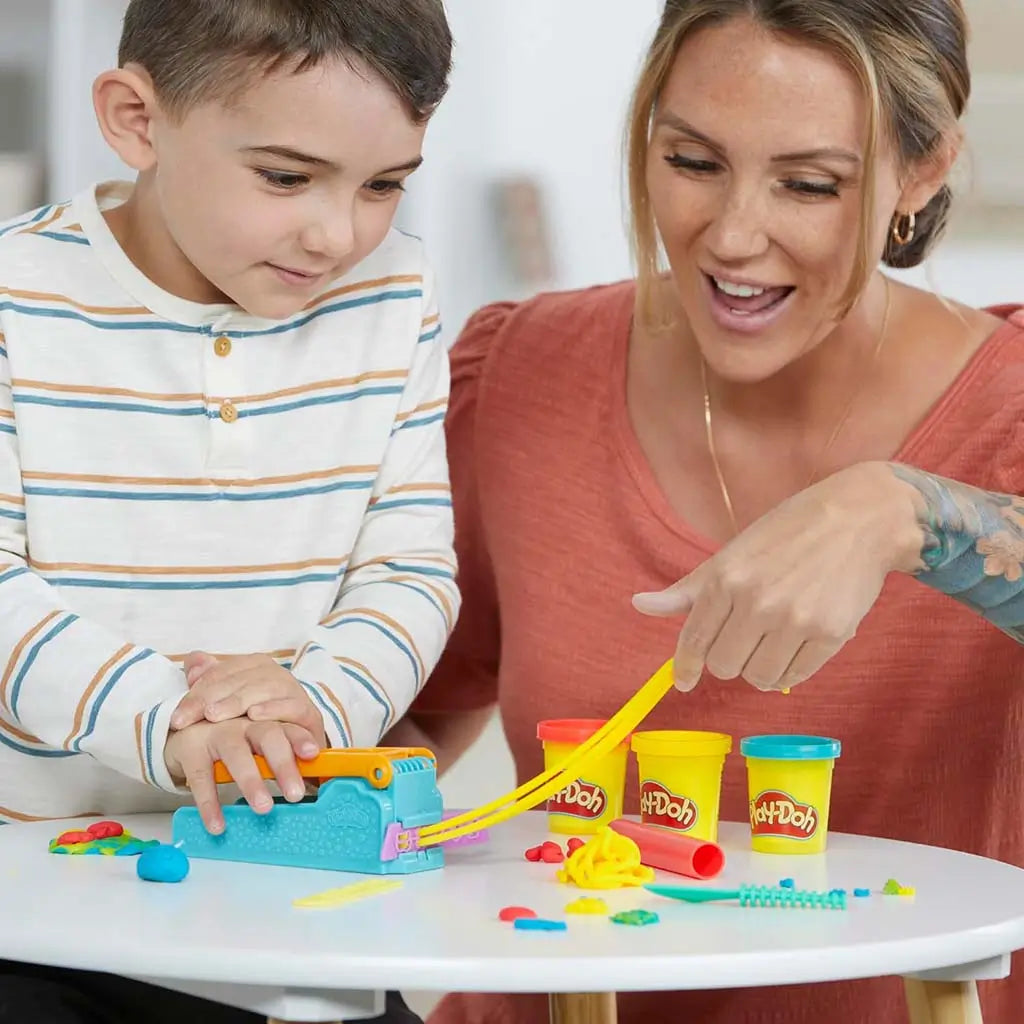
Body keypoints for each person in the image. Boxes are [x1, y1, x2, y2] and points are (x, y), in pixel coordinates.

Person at [400, 0, 1024, 1021]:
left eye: (809, 184)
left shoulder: (1006, 408)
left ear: (922, 173)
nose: (732, 236)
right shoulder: (522, 372)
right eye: (691, 163)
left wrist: (904, 509)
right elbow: (419, 709)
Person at [0, 1, 456, 1021]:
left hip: (278, 881)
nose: (338, 233)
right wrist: (168, 718)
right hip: (27, 897)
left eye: (384, 184)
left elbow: (409, 565)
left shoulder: (395, 293)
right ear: (135, 119)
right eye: (286, 177)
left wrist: (317, 710)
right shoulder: (14, 295)